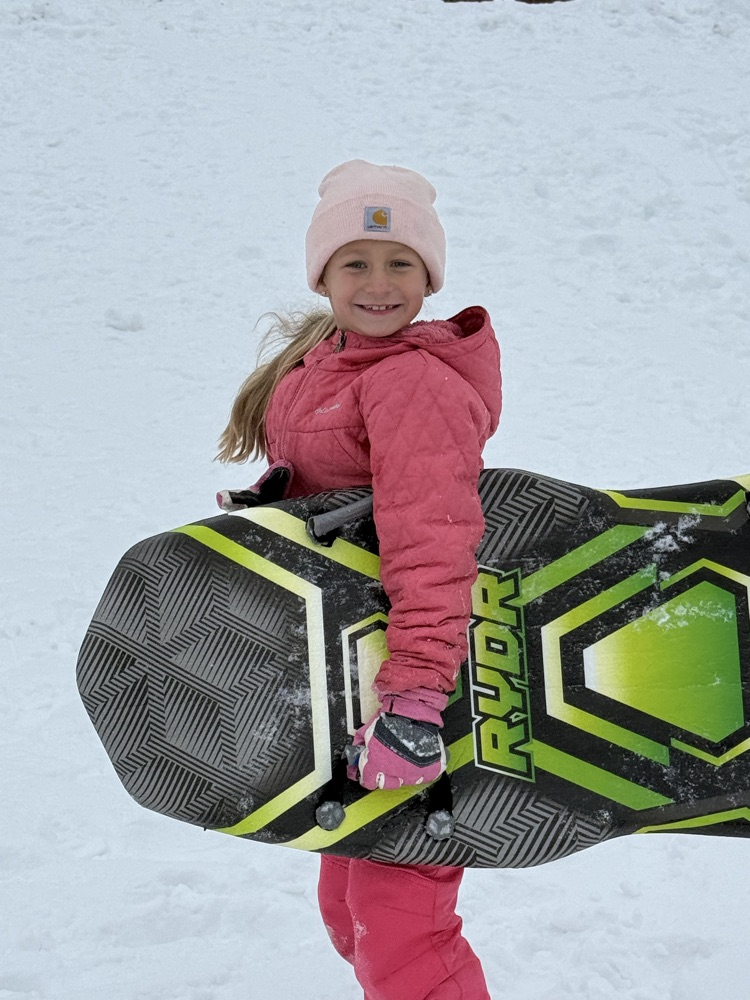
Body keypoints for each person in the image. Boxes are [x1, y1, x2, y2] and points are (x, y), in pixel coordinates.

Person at [218, 160, 501, 1000]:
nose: (379, 284)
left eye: (401, 264)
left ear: (430, 276)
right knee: (351, 913)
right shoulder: (325, 365)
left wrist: (415, 701)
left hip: (421, 678)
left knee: (403, 933)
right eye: (356, 263)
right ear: (322, 275)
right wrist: (287, 505)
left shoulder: (412, 382)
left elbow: (433, 543)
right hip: (349, 675)